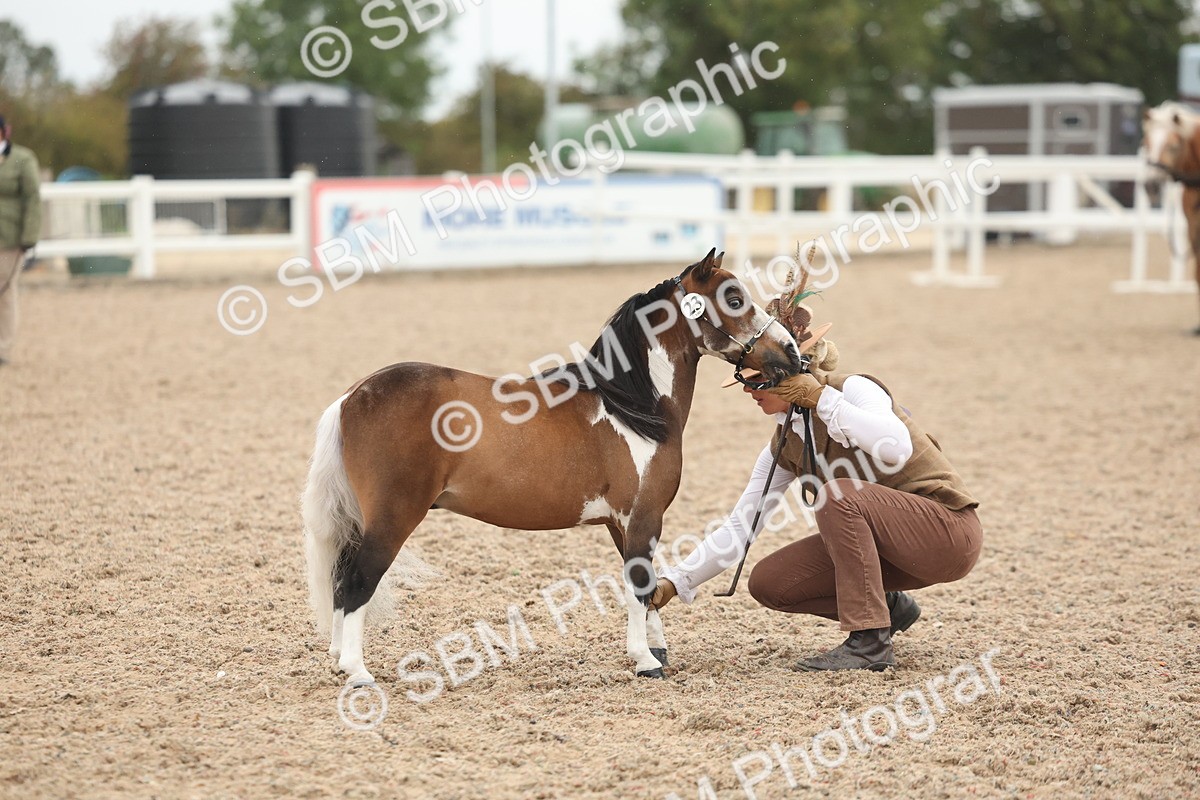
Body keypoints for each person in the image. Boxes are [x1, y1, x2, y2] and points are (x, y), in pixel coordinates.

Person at [651, 270, 983, 671]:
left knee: (837, 495)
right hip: (898, 552)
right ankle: (889, 610)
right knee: (771, 583)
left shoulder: (855, 389)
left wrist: (820, 397)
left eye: (755, 379)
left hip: (948, 534)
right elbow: (740, 528)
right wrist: (676, 581)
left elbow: (895, 449)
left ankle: (870, 642)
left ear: (790, 371)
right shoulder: (782, 445)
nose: (746, 390)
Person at [0, 112, 42, 366]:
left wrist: (29, 236)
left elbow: (32, 199)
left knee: (4, 292)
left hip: (9, 238)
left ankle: (2, 348)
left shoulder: (22, 160)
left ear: (6, 131)